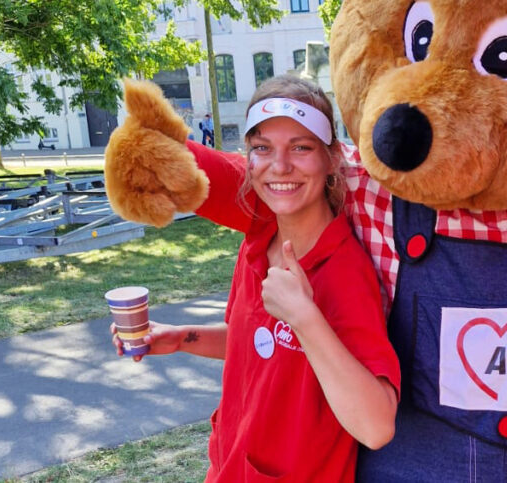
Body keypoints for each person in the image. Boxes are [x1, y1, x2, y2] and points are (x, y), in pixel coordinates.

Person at [111, 75, 400, 481]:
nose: (279, 166)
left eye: (301, 147)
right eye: (262, 148)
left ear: (332, 158)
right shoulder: (260, 238)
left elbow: (376, 426)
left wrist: (305, 317)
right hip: (228, 466)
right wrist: (181, 338)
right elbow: (258, 342)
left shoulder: (344, 271)